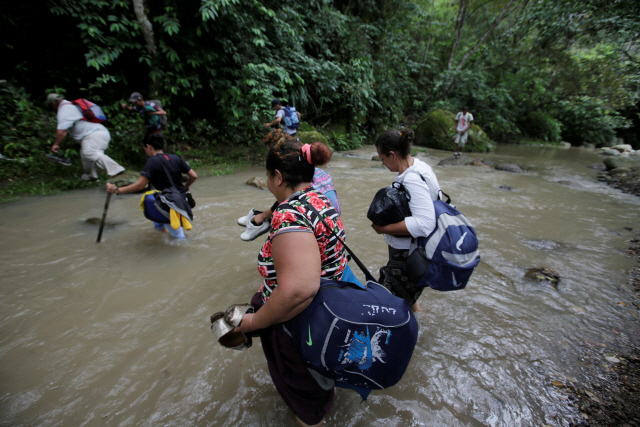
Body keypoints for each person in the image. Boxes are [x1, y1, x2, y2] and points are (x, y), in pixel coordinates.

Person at [232, 138, 359, 427]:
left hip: (301, 325)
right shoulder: (319, 198)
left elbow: (299, 289)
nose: (266, 181)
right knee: (317, 381)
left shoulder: (290, 215)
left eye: (267, 176)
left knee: (307, 406)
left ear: (278, 176)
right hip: (330, 312)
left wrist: (254, 323)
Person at [371, 128, 442, 312]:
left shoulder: (411, 179)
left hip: (408, 254)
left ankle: (410, 337)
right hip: (416, 250)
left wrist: (384, 228)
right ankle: (422, 328)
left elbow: (424, 224)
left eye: (382, 158)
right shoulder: (420, 167)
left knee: (393, 307)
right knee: (407, 298)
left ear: (393, 155)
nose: (382, 162)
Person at [237, 130, 341, 241]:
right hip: (331, 222)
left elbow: (291, 200)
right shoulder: (317, 175)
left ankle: (259, 219)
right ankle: (260, 218)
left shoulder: (288, 214)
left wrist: (265, 216)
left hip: (315, 224)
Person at [105, 134, 197, 239]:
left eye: (145, 148)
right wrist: (186, 187)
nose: (145, 151)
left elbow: (140, 185)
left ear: (148, 146)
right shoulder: (175, 158)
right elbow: (194, 176)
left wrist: (117, 190)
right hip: (181, 198)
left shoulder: (152, 161)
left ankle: (182, 250)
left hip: (169, 202)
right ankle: (162, 232)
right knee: (158, 222)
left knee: (179, 238)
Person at [47, 93, 125, 181]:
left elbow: (61, 132)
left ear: (53, 104)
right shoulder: (70, 105)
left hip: (94, 133)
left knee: (90, 152)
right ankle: (91, 177)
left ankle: (116, 170)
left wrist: (56, 144)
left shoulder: (64, 110)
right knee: (85, 155)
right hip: (97, 133)